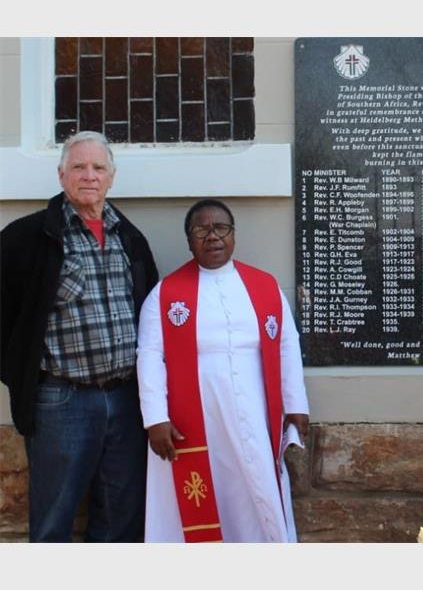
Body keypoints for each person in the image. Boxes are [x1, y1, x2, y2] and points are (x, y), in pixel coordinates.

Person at [0, 131, 159, 542]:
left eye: (98, 167)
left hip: (126, 400)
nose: (89, 175)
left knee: (122, 518)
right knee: (54, 519)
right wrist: (22, 375)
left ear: (111, 177)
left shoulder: (130, 238)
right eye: (78, 167)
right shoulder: (25, 239)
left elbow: (150, 314)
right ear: (61, 175)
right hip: (61, 401)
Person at [136, 198, 310, 542]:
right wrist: (154, 418)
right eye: (202, 229)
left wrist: (296, 405)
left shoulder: (265, 286)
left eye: (221, 228)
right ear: (189, 239)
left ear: (233, 235)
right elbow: (149, 355)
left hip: (255, 411)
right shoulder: (165, 294)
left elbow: (288, 346)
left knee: (256, 487)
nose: (212, 236)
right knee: (205, 492)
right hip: (198, 417)